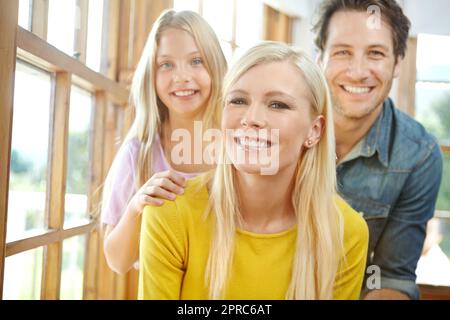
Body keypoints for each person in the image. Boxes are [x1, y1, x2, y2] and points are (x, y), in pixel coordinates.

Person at [138, 42, 369, 300]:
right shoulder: (170, 213)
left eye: (278, 105)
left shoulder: (346, 231)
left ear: (314, 131)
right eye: (238, 100)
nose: (251, 118)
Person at [313, 0, 443, 299]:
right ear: (319, 58)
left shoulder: (418, 156)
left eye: (375, 53)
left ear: (398, 63)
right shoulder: (277, 127)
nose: (358, 72)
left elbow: (391, 279)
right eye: (343, 51)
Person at [101, 10, 227, 274]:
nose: (181, 76)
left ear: (215, 65)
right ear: (152, 75)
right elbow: (117, 261)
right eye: (166, 64)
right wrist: (138, 204)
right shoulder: (138, 153)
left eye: (196, 61)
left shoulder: (239, 147)